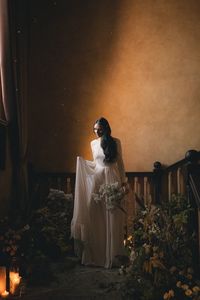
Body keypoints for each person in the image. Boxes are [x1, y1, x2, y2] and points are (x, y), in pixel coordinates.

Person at [71, 117, 128, 268]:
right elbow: (96, 163)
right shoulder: (93, 143)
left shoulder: (116, 142)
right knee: (94, 213)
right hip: (98, 179)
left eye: (99, 129)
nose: (97, 132)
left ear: (106, 128)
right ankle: (96, 256)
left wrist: (123, 182)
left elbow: (120, 163)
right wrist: (83, 164)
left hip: (113, 178)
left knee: (112, 215)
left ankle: (112, 256)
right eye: (95, 129)